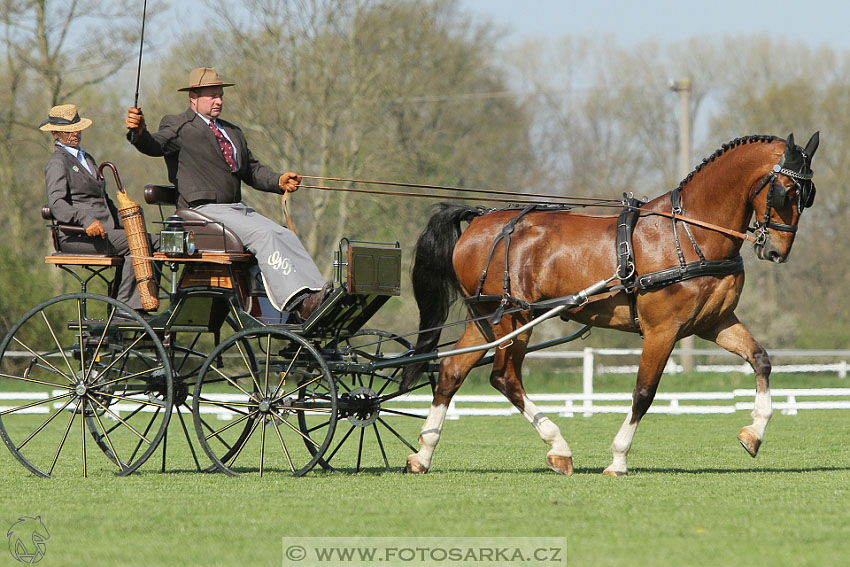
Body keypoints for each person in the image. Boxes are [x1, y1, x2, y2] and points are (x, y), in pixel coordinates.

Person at [125, 67, 328, 319]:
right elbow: (155, 144)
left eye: (220, 95)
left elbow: (251, 170)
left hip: (236, 209)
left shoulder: (232, 132)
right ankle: (299, 302)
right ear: (193, 97)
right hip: (202, 211)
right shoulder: (178, 125)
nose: (219, 101)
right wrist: (139, 132)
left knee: (284, 234)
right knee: (265, 235)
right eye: (212, 96)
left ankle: (317, 295)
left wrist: (278, 181)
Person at [41, 104, 157, 315]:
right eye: (68, 130)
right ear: (55, 134)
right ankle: (128, 308)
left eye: (76, 127)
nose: (75, 133)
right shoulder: (58, 162)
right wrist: (85, 221)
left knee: (151, 239)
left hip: (105, 231)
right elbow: (57, 203)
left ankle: (128, 301)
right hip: (78, 237)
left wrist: (128, 223)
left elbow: (103, 200)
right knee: (141, 243)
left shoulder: (86, 158)